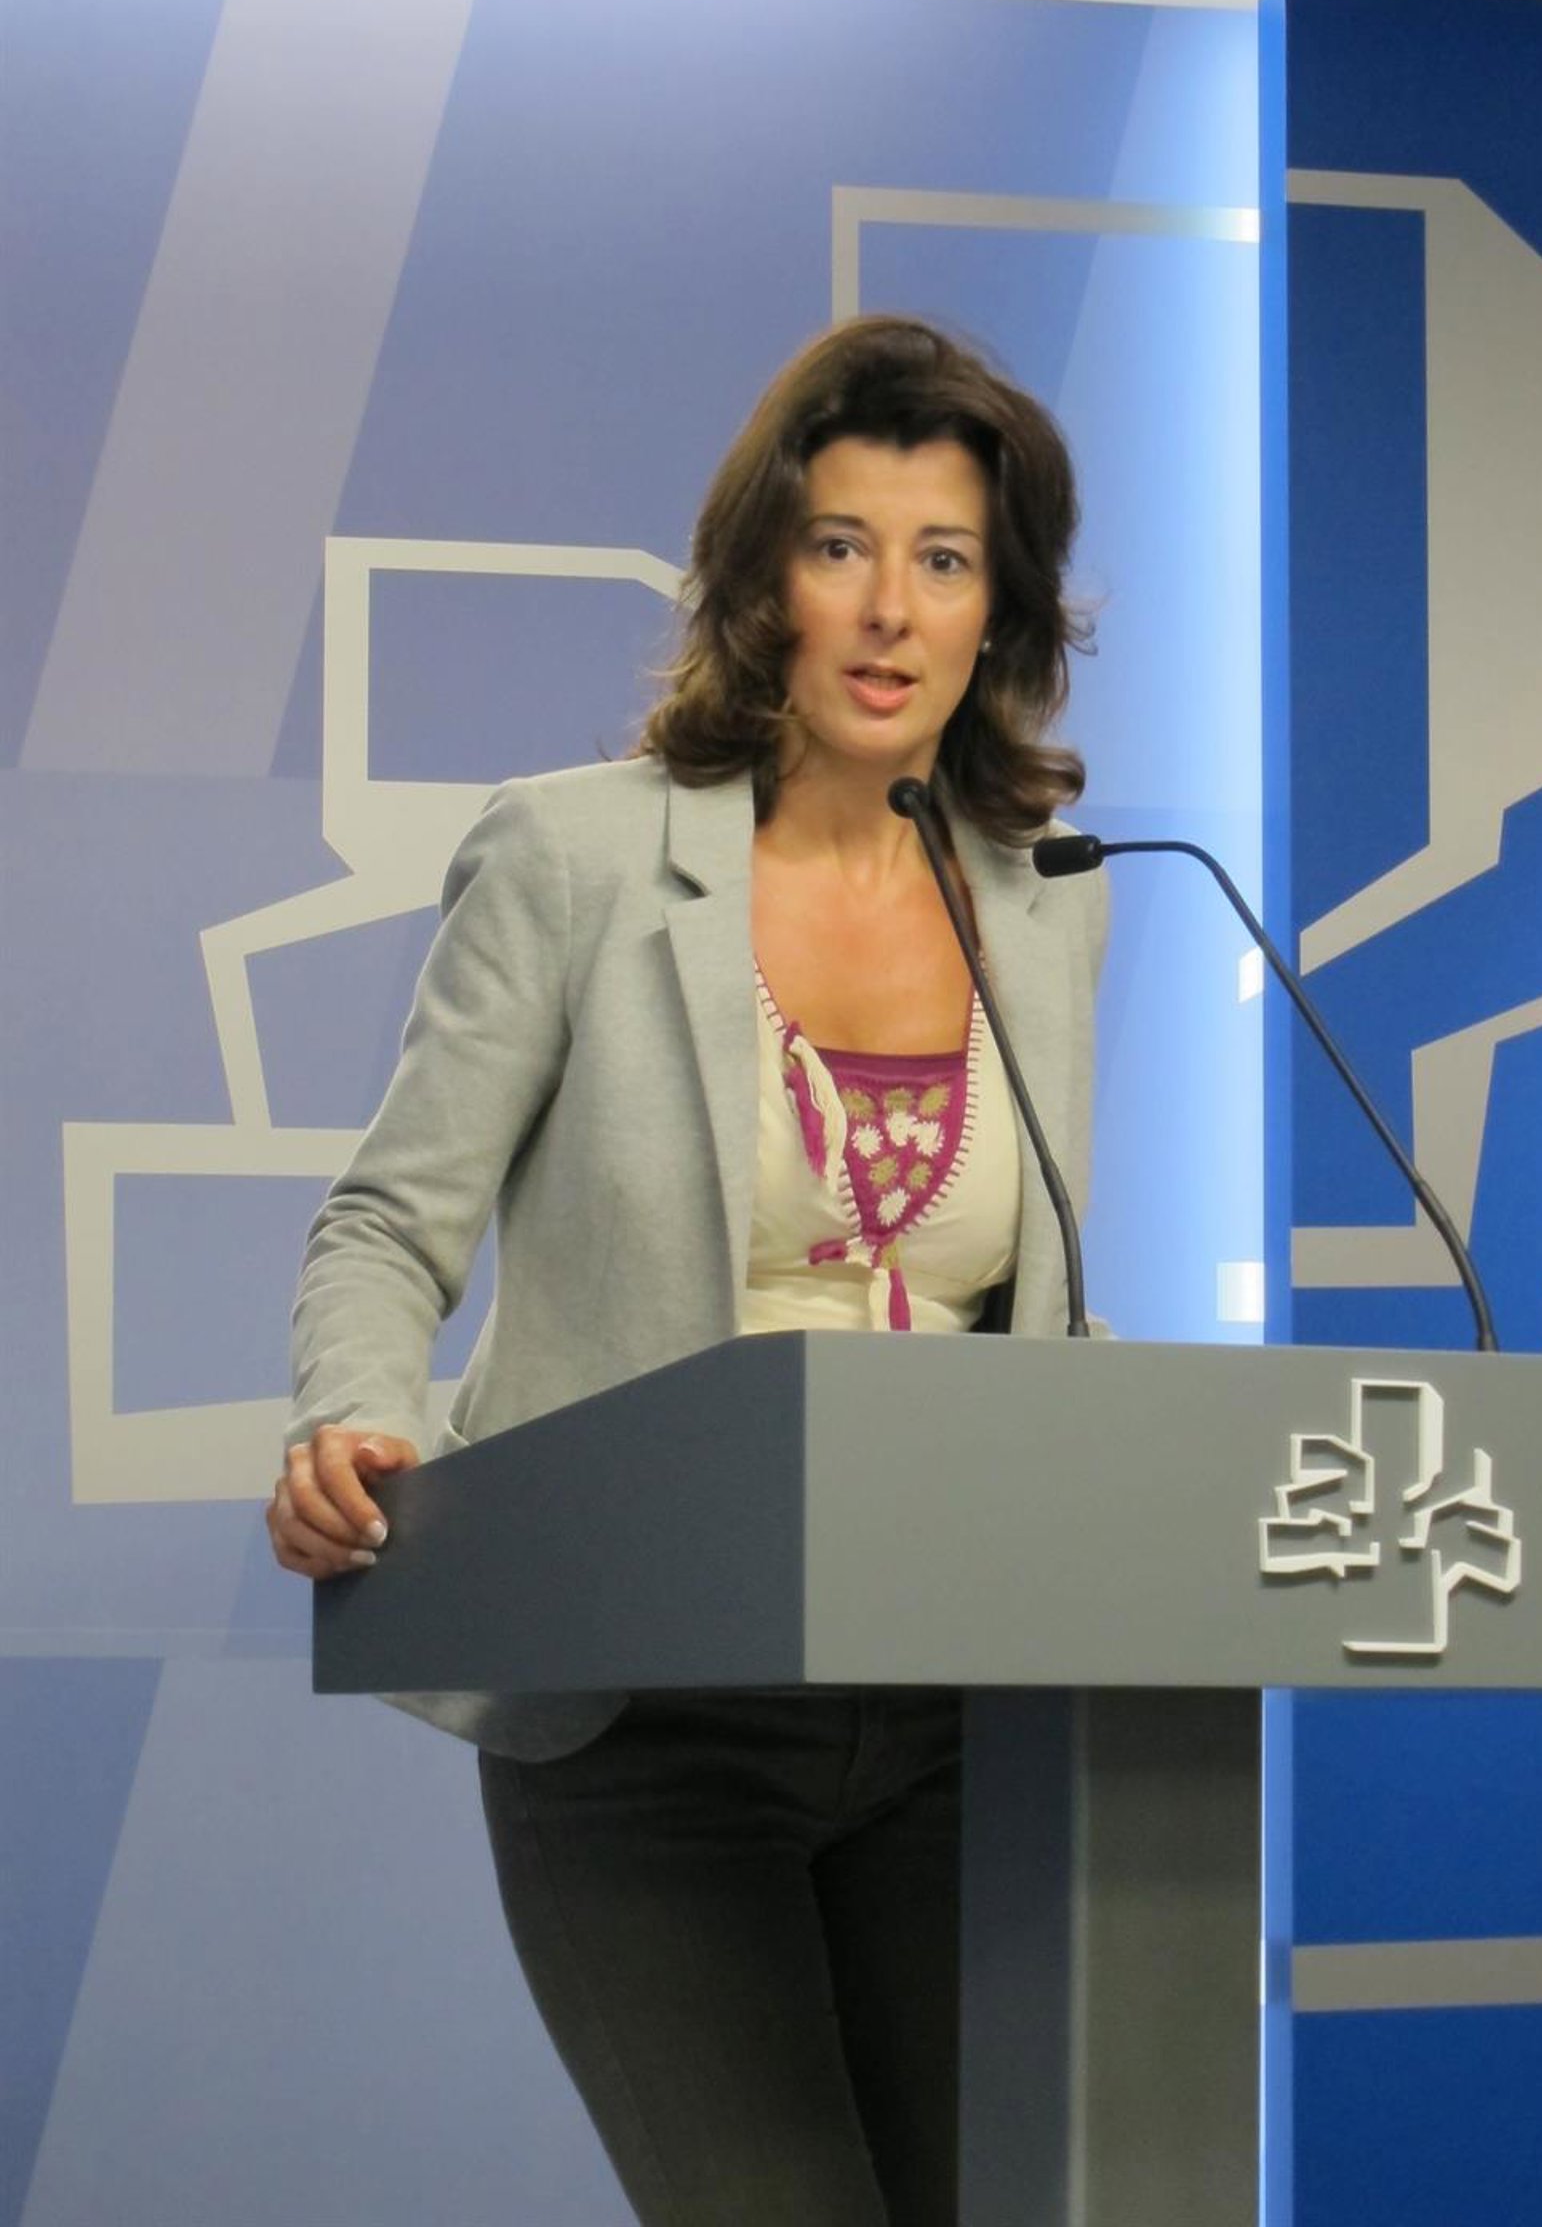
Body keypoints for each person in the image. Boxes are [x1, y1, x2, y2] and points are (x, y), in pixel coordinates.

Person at [265, 315, 1108, 2227]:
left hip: (958, 1701)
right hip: (643, 1708)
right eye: (841, 547)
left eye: (945, 559)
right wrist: (355, 1421)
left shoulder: (1047, 897)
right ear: (761, 579)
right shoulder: (576, 857)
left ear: (999, 611)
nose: (889, 609)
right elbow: (388, 1222)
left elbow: (1032, 1297)